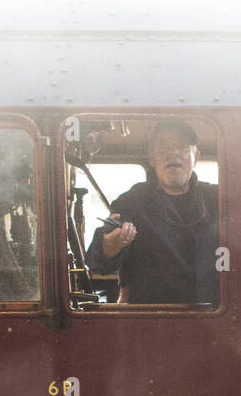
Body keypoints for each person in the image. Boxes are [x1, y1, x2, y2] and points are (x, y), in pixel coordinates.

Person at [86, 120, 219, 304]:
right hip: (150, 322)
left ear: (196, 156)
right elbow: (98, 263)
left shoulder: (219, 199)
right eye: (164, 147)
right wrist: (109, 247)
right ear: (151, 157)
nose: (173, 153)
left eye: (181, 146)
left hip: (214, 321)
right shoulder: (131, 202)